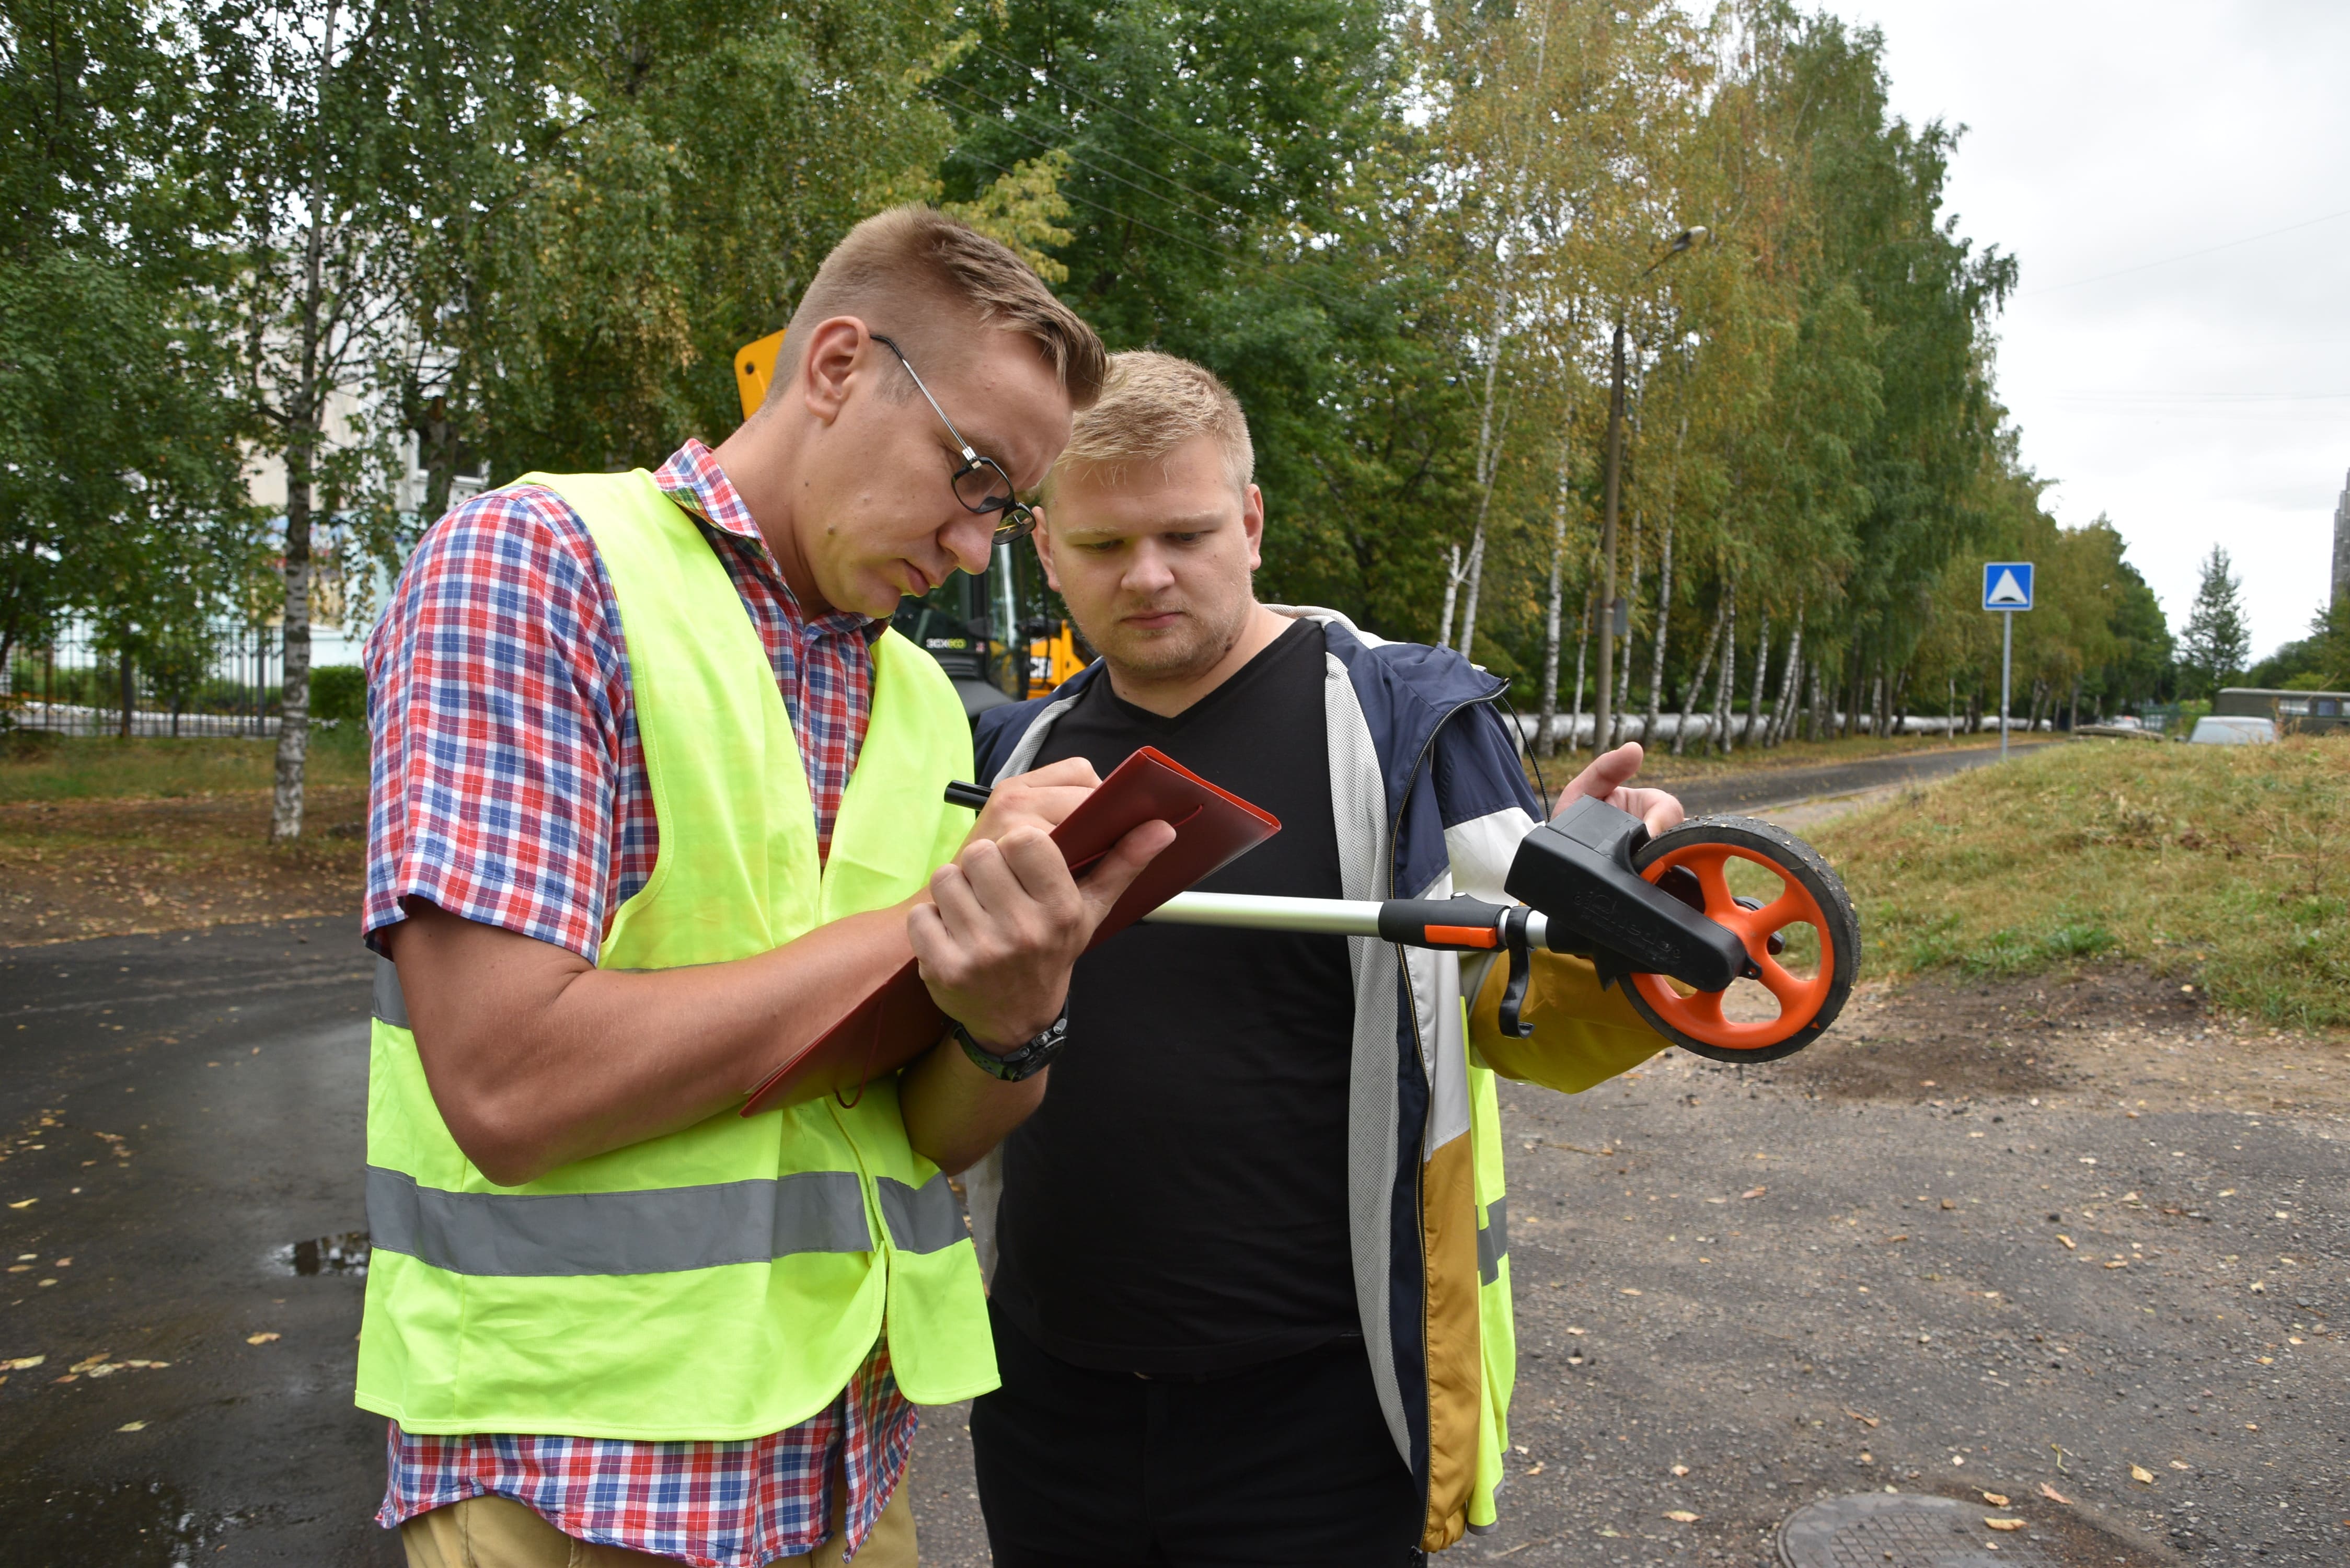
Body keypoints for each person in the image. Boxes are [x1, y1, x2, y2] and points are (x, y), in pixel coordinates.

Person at [358, 207, 1170, 1568]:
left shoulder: (919, 698)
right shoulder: (539, 566)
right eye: (972, 475)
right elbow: (506, 1086)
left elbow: (924, 1136)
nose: (978, 546)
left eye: (1007, 508)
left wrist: (1013, 1012)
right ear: (839, 366)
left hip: (845, 1476)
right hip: (578, 1478)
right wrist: (928, 933)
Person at [964, 352, 1686, 1566]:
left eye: (1186, 533)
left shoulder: (1410, 726)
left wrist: (1630, 929)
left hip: (1323, 1412)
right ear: (1043, 549)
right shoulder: (1014, 754)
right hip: (1046, 1399)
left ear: (1250, 523)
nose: (1147, 574)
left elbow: (1525, 1012)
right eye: (1101, 545)